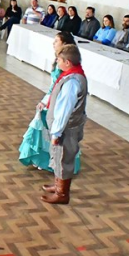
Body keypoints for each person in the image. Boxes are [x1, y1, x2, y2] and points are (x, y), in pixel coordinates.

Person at [19, 32, 81, 173]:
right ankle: (42, 158)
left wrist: (47, 101)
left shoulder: (66, 63)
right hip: (53, 97)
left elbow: (59, 86)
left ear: (65, 44)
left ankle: (51, 161)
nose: (53, 43)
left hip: (59, 101)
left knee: (51, 128)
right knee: (43, 126)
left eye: (56, 41)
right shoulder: (59, 59)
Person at [41, 44, 88, 205]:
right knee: (58, 156)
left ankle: (62, 194)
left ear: (67, 62)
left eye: (59, 59)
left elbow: (64, 110)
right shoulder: (72, 75)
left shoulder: (72, 82)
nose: (57, 61)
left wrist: (56, 133)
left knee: (63, 159)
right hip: (65, 128)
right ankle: (57, 184)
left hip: (66, 129)